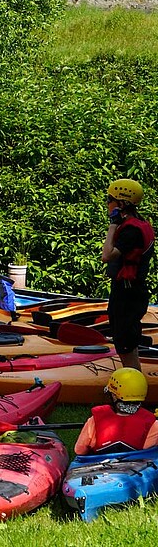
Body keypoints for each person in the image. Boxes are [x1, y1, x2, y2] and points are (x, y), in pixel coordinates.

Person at [102, 179, 154, 371]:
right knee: (125, 342)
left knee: (125, 343)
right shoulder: (138, 224)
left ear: (121, 204)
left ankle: (134, 389)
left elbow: (106, 255)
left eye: (110, 200)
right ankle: (133, 381)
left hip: (128, 293)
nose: (107, 203)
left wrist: (112, 225)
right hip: (128, 291)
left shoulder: (131, 230)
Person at [74, 368, 158, 455]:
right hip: (138, 467)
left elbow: (79, 450)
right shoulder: (153, 424)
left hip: (102, 466)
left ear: (114, 396)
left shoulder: (94, 421)